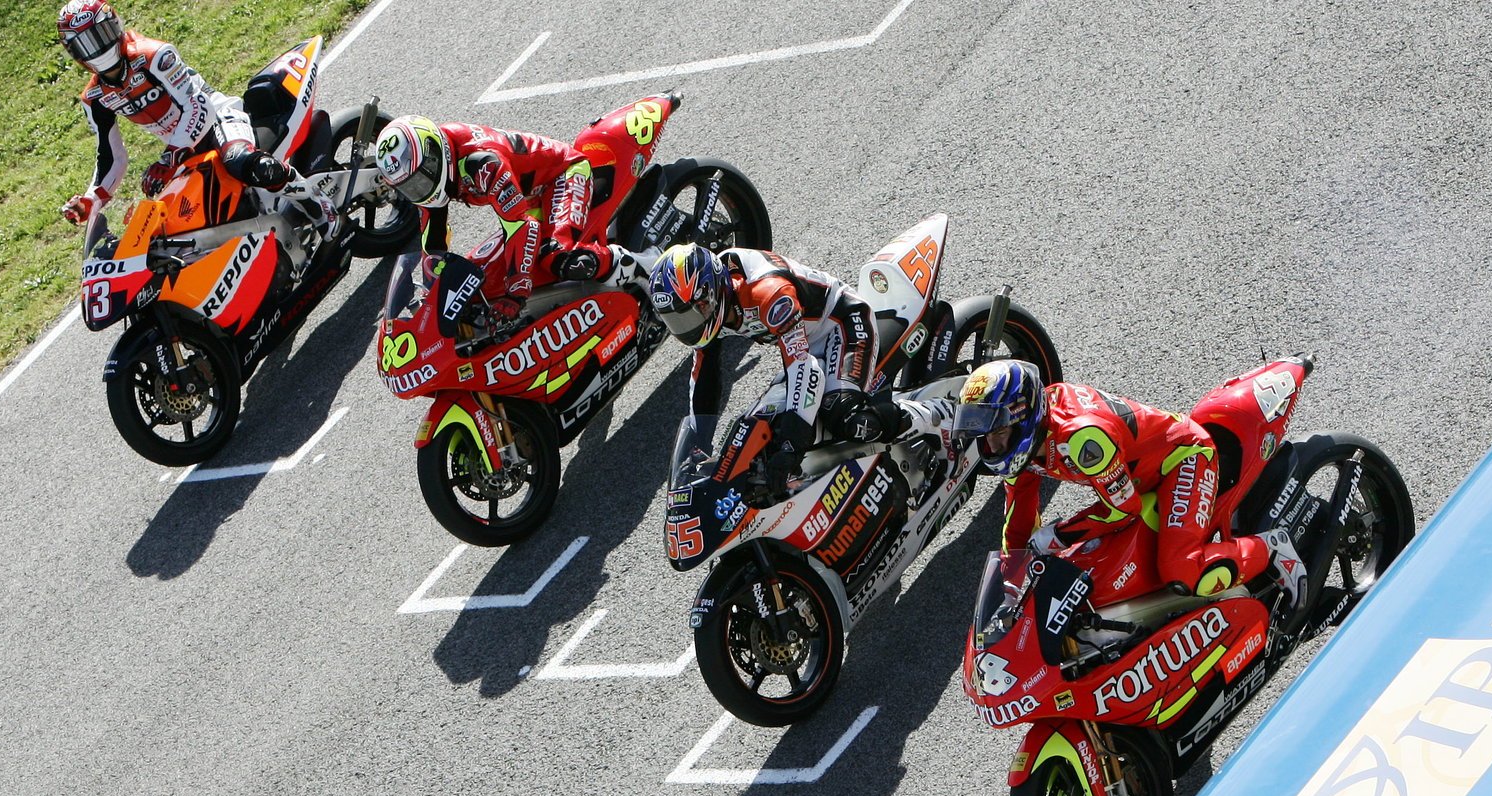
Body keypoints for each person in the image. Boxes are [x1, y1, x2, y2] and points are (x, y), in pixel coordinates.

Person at [951, 359, 1306, 606]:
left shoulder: (1083, 438)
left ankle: (1272, 550)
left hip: (1181, 461)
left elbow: (1123, 509)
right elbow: (1019, 521)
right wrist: (1008, 583)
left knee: (1182, 569)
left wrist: (1058, 534)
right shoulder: (1022, 446)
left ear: (1023, 417)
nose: (992, 447)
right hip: (1133, 477)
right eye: (985, 438)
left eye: (997, 433)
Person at [649, 243, 950, 491]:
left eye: (689, 315)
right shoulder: (713, 310)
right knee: (764, 429)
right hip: (801, 343)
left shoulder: (766, 293)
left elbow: (804, 369)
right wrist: (697, 444)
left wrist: (794, 443)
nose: (687, 327)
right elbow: (704, 380)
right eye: (676, 320)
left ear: (709, 295)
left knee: (844, 416)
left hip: (841, 326)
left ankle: (935, 415)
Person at [55, 0, 334, 235]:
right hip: (183, 150)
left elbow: (198, 107)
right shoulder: (94, 98)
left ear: (115, 27)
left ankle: (318, 205)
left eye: (101, 34)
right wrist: (92, 199)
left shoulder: (154, 55)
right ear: (75, 53)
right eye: (86, 44)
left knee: (243, 161)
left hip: (218, 120)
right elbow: (111, 157)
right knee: (177, 222)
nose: (98, 47)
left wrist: (169, 158)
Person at [372, 115, 648, 322]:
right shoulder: (432, 179)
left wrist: (516, 294)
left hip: (561, 175)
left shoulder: (481, 162)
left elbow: (519, 226)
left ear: (434, 153)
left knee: (558, 257)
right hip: (525, 194)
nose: (420, 189)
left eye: (421, 178)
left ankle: (645, 268)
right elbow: (432, 245)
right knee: (485, 277)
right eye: (410, 187)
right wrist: (430, 302)